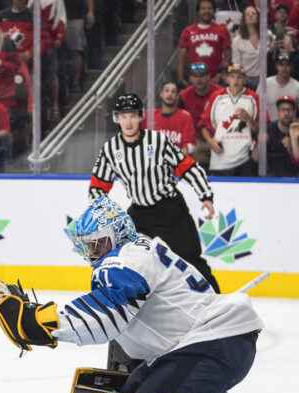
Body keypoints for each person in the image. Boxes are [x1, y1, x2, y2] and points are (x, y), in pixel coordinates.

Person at [0, 195, 277, 393]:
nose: (91, 254)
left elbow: (105, 317)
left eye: (97, 245)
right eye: (87, 247)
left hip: (215, 345)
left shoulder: (125, 261)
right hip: (209, 344)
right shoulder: (138, 250)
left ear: (117, 233)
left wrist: (34, 322)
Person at [90, 93, 219, 323]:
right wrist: (100, 213)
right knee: (126, 261)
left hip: (171, 209)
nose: (128, 121)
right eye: (123, 116)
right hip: (140, 214)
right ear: (116, 118)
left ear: (140, 117)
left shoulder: (158, 141)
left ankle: (217, 307)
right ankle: (128, 313)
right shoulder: (110, 150)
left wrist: (205, 197)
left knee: (191, 259)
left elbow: (187, 167)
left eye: (132, 115)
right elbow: (98, 186)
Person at [201, 64, 260, 176]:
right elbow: (204, 125)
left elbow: (259, 129)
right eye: (232, 76)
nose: (236, 80)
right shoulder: (216, 97)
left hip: (244, 159)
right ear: (227, 79)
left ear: (245, 79)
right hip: (220, 158)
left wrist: (248, 119)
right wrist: (210, 142)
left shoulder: (253, 98)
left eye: (239, 77)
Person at [177, 0, 231, 86]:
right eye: (203, 8)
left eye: (209, 8)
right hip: (194, 80)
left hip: (216, 80)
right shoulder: (188, 31)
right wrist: (181, 78)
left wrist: (220, 75)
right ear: (198, 11)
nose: (206, 11)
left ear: (214, 10)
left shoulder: (222, 30)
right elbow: (181, 57)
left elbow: (227, 56)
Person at [143, 81, 195, 155]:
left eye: (173, 92)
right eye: (167, 90)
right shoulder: (150, 115)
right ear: (161, 94)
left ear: (177, 96)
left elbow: (189, 145)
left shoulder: (185, 117)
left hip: (177, 162)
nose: (170, 94)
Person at [260, 95, 299, 176]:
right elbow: (255, 159)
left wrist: (292, 144)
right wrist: (260, 144)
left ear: (295, 112)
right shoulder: (268, 129)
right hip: (271, 179)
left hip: (294, 180)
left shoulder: (297, 129)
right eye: (283, 110)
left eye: (290, 110)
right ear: (278, 112)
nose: (286, 113)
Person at [265, 52, 299, 120]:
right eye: (281, 65)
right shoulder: (265, 83)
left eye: (287, 65)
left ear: (291, 67)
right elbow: (258, 106)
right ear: (276, 66)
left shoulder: (297, 86)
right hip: (268, 126)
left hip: (289, 127)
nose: (284, 68)